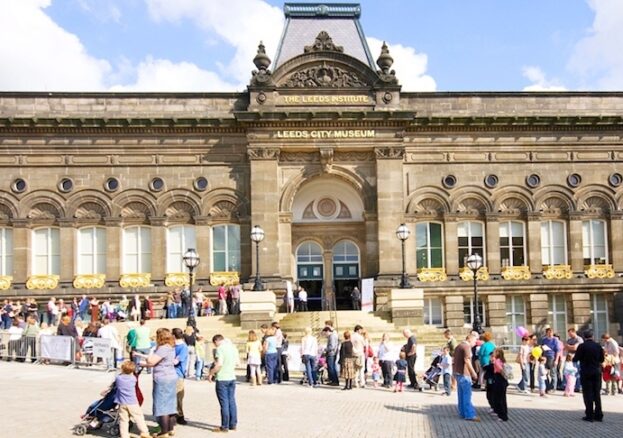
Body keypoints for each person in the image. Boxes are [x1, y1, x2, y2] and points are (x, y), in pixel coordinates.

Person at [136, 328, 177, 437]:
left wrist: (142, 362)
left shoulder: (163, 348)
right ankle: (170, 428)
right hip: (171, 376)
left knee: (162, 406)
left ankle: (164, 432)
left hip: (163, 378)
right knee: (171, 404)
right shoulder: (171, 347)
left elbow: (152, 361)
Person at [207, 334, 238, 433]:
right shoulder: (232, 347)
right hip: (232, 377)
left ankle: (224, 426)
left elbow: (219, 364)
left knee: (224, 403)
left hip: (222, 378)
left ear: (216, 341)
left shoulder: (220, 349)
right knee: (231, 401)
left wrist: (211, 373)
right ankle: (233, 424)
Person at [115, 361, 150, 438]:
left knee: (123, 420)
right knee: (139, 417)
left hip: (122, 402)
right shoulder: (133, 379)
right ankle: (144, 432)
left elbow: (118, 378)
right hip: (132, 402)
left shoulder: (118, 378)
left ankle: (124, 435)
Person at [575, 330, 605, 422]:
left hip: (586, 371)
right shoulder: (598, 346)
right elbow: (602, 359)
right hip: (596, 371)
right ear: (592, 336)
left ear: (584, 337)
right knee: (597, 393)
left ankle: (589, 415)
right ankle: (598, 415)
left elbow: (576, 358)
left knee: (588, 394)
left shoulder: (582, 346)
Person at [453, 332, 479, 422]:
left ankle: (462, 413)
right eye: (475, 341)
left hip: (457, 373)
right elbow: (467, 360)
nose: (475, 343)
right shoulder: (466, 347)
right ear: (470, 339)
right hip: (464, 373)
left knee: (461, 395)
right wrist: (473, 373)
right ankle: (469, 414)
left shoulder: (458, 346)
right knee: (467, 395)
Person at [172, 328, 189, 426]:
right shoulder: (172, 346)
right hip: (171, 373)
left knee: (179, 396)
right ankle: (173, 415)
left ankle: (180, 415)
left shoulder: (183, 347)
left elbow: (177, 360)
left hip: (178, 374)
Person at [491, 348, 509, 422]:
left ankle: (502, 415)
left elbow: (500, 370)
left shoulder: (497, 361)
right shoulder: (502, 360)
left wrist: (504, 375)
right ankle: (504, 413)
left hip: (499, 379)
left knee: (499, 398)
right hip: (503, 380)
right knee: (503, 398)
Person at [540, 327, 560, 393]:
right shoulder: (544, 340)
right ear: (546, 333)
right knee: (545, 373)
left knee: (553, 373)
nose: (550, 334)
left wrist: (556, 360)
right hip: (545, 357)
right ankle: (547, 387)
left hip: (552, 357)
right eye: (548, 333)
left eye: (551, 332)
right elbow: (542, 349)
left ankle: (553, 388)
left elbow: (558, 351)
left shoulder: (555, 340)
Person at [566, 328, 584, 392]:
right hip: (570, 358)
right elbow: (566, 347)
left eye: (570, 333)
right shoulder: (569, 340)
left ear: (574, 332)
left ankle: (578, 387)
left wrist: (569, 346)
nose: (569, 335)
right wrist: (571, 347)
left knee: (578, 372)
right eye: (569, 334)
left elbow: (575, 348)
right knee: (571, 373)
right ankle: (573, 386)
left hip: (578, 358)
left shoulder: (579, 339)